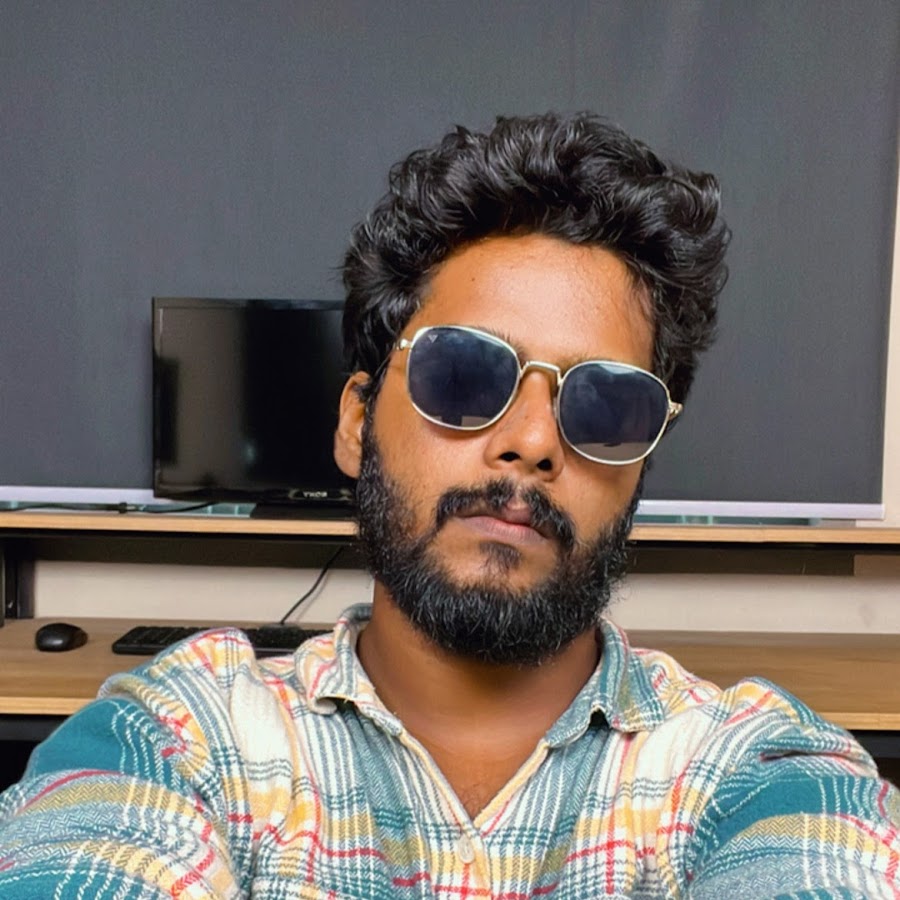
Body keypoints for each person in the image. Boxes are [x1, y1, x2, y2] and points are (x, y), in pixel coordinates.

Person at [1, 112, 898, 899]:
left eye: (604, 405)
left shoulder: (756, 768)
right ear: (357, 422)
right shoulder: (175, 739)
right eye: (466, 374)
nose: (533, 442)